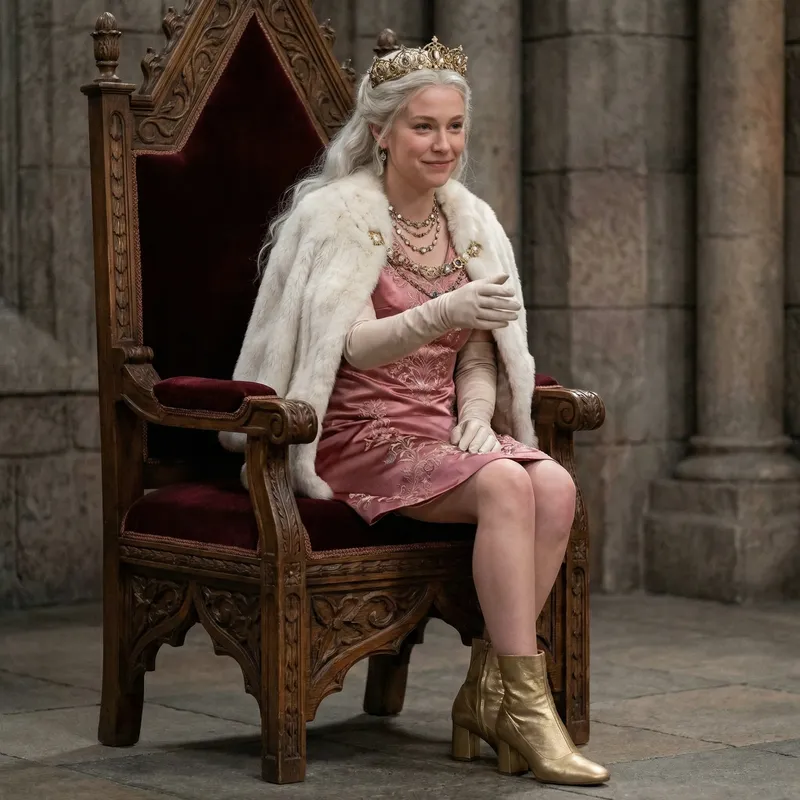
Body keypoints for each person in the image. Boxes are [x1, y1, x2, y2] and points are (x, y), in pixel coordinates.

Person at [221, 36, 609, 786]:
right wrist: (447, 308)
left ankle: (490, 693)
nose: (444, 144)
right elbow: (349, 347)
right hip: (350, 431)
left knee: (555, 484)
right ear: (382, 134)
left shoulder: (471, 220)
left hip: (437, 429)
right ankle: (528, 712)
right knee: (505, 485)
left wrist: (477, 408)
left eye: (455, 126)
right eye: (424, 126)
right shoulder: (334, 216)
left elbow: (481, 346)